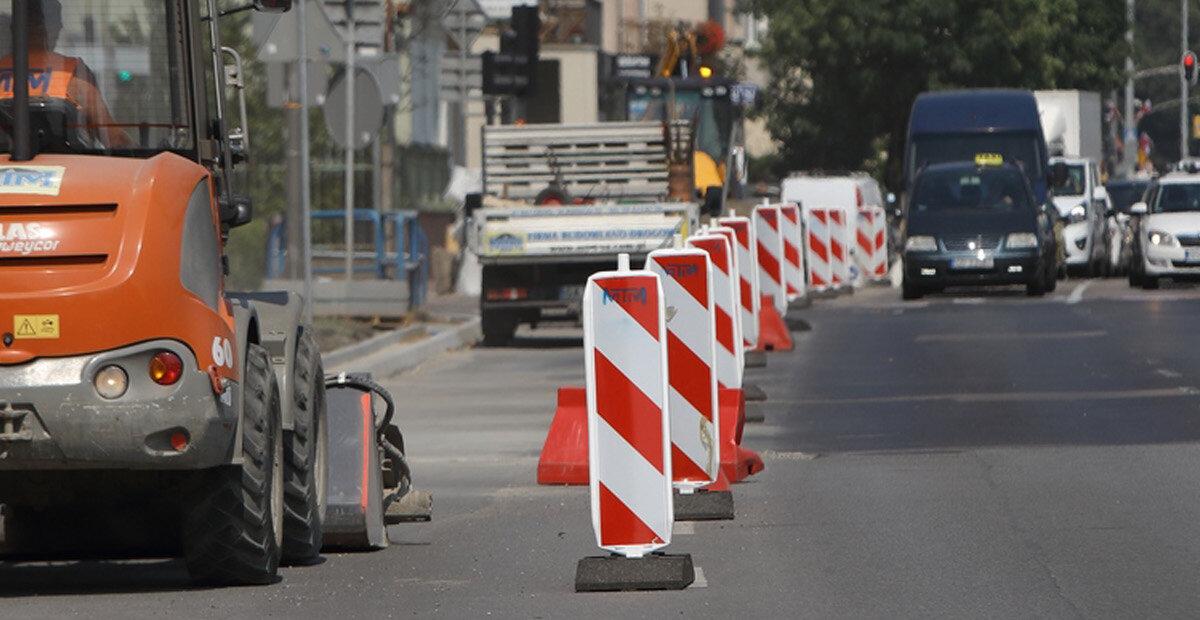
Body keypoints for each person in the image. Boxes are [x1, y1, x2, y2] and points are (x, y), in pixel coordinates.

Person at [0, 0, 130, 147]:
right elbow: (115, 140)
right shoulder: (74, 76)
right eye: (58, 24)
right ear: (51, 28)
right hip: (68, 167)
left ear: (14, 28)